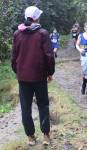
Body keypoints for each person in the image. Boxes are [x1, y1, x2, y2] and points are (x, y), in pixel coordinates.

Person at [11, 6, 55, 145]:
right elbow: (49, 55)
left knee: (25, 107)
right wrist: (50, 72)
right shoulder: (43, 33)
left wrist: (18, 71)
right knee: (43, 104)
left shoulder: (17, 33)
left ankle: (30, 137)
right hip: (39, 76)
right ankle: (46, 136)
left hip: (23, 77)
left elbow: (13, 57)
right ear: (36, 18)